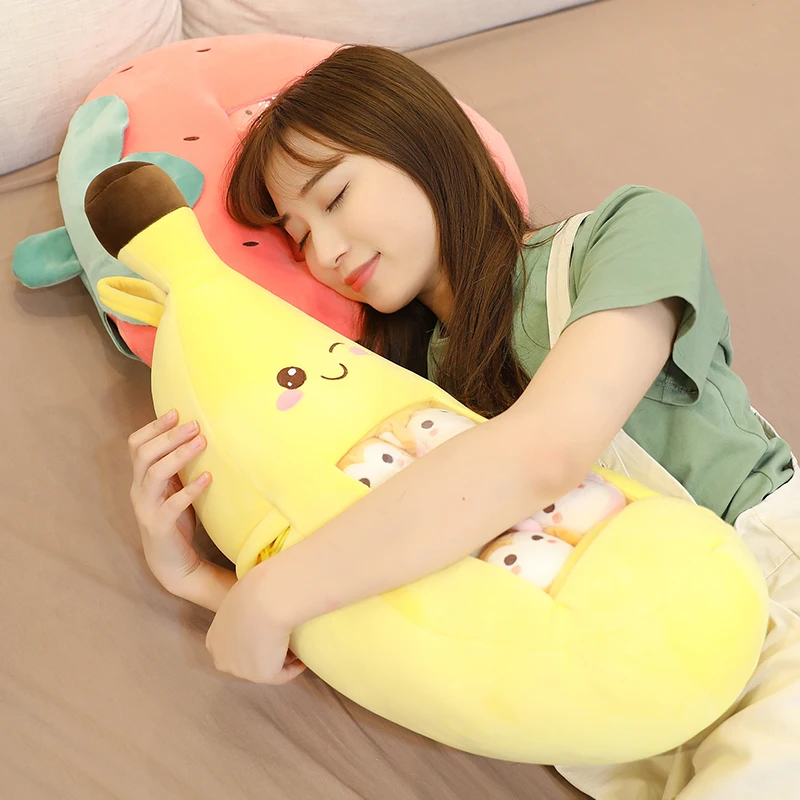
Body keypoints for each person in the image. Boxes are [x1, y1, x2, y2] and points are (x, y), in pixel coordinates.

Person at [125, 45, 800, 799]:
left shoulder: (622, 235)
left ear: (421, 141)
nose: (327, 251)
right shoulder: (396, 390)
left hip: (775, 605)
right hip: (617, 704)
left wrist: (273, 593)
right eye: (300, 235)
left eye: (335, 197)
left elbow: (545, 451)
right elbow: (401, 615)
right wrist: (202, 581)